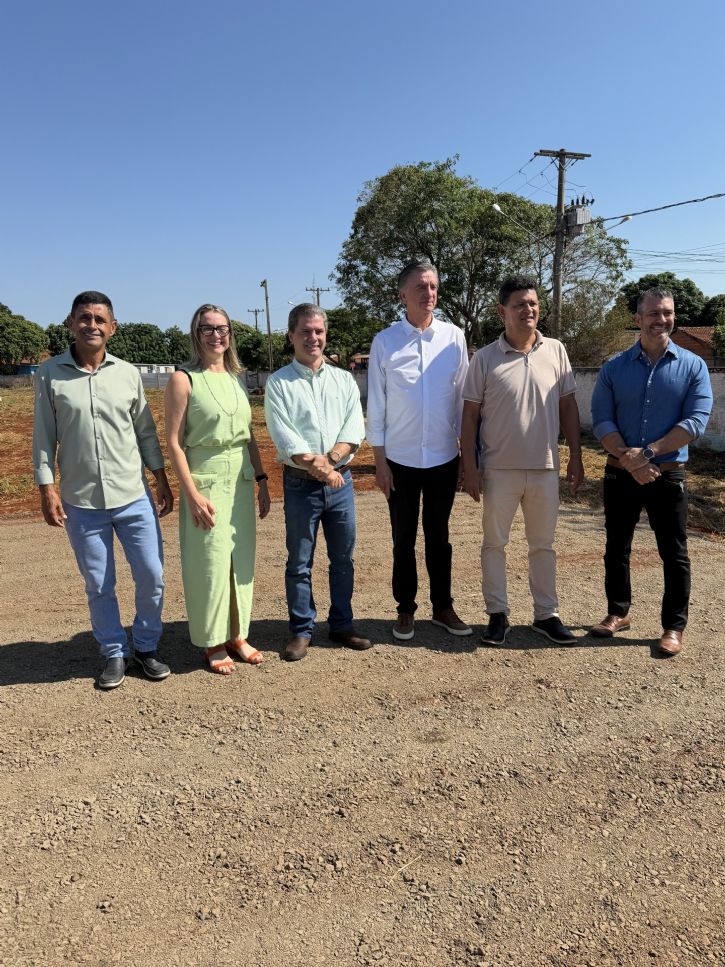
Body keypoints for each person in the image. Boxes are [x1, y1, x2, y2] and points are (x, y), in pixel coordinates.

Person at [32, 291, 174, 690]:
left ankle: (146, 646)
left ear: (112, 327)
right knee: (99, 583)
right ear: (70, 322)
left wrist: (160, 477)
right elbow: (44, 436)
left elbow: (145, 431)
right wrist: (47, 488)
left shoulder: (128, 373)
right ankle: (114, 651)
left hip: (133, 495)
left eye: (99, 319)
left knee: (152, 576)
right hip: (82, 501)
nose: (91, 325)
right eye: (84, 317)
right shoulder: (49, 374)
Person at [460, 275, 584, 646]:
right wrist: (470, 468)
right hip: (498, 470)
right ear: (502, 312)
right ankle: (497, 615)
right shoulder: (483, 358)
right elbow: (469, 417)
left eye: (532, 303)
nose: (528, 310)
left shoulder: (556, 350)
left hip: (544, 467)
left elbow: (568, 406)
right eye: (519, 305)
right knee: (494, 544)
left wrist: (575, 456)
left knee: (543, 545)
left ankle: (547, 615)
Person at [590, 287, 713, 656]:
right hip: (619, 473)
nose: (662, 320)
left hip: (669, 473)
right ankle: (617, 612)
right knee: (616, 548)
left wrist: (646, 454)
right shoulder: (614, 368)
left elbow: (696, 421)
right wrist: (630, 461)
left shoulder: (694, 366)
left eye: (668, 313)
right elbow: (601, 419)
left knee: (674, 552)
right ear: (638, 319)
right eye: (654, 314)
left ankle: (673, 626)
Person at [367, 260, 471, 641]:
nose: (430, 294)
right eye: (421, 287)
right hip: (400, 460)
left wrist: (468, 458)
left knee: (439, 536)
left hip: (444, 457)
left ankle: (443, 607)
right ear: (403, 295)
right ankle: (405, 610)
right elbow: (376, 406)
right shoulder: (385, 342)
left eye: (434, 287)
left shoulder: (453, 338)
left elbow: (462, 401)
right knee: (403, 538)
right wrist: (380, 463)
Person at [165, 304, 271, 674]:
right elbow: (174, 443)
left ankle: (237, 634)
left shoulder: (236, 378)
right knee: (208, 563)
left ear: (230, 334)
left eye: (222, 328)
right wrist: (190, 493)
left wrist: (261, 480)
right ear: (196, 334)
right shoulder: (184, 378)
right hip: (205, 479)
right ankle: (211, 641)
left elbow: (249, 437)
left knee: (239, 560)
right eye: (207, 329)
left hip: (240, 478)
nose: (216, 335)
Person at [264, 303, 369, 661]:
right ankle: (301, 629)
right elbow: (285, 437)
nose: (313, 338)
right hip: (299, 485)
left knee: (343, 558)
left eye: (319, 331)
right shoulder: (278, 383)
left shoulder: (343, 380)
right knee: (299, 561)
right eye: (305, 331)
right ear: (291, 335)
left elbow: (354, 428)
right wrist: (321, 468)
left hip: (341, 483)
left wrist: (332, 462)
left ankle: (341, 624)